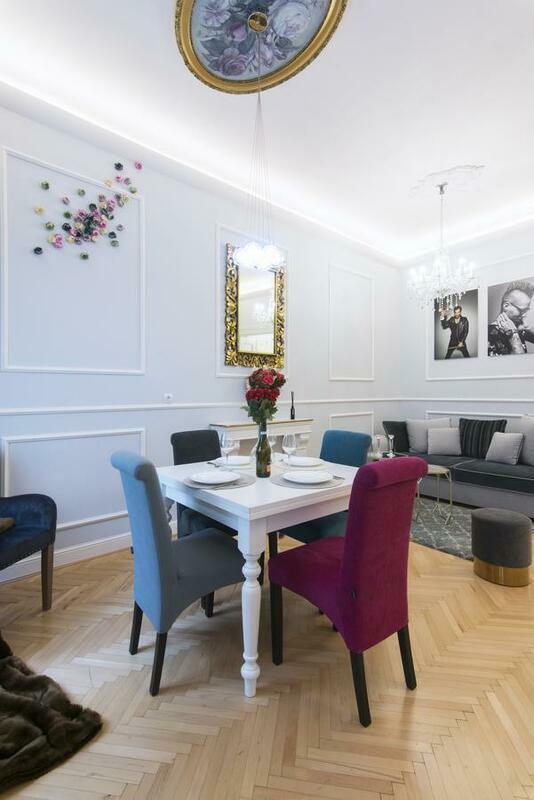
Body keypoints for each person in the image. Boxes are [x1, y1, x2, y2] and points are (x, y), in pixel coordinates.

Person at [488, 280, 534, 356]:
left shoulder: (519, 328)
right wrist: (513, 335)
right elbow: (521, 361)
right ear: (506, 306)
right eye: (521, 310)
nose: (524, 315)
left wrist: (527, 328)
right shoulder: (488, 335)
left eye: (527, 310)